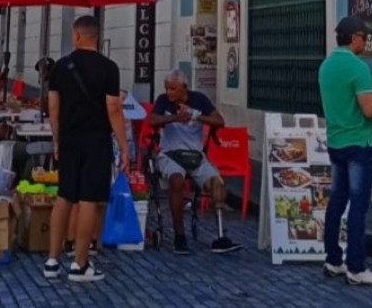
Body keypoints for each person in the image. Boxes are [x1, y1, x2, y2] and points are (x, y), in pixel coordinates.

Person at [45, 15, 130, 284]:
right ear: (96, 37)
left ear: (77, 35)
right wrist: (124, 146)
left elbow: (53, 108)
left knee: (64, 196)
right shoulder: (109, 68)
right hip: (96, 140)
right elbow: (114, 109)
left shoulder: (60, 67)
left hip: (69, 139)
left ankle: (52, 259)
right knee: (88, 200)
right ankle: (80, 264)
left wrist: (56, 139)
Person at [318, 14, 372, 285]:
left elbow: (347, 101)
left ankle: (332, 259)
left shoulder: (326, 66)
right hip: (358, 144)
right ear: (354, 38)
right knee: (357, 206)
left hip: (335, 141)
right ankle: (356, 266)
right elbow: (369, 110)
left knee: (336, 202)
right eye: (364, 37)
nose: (365, 42)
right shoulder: (358, 67)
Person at [148, 69, 239, 255]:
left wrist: (195, 116)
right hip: (170, 154)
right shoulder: (163, 101)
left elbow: (219, 121)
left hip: (195, 155)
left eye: (173, 88)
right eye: (167, 88)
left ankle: (221, 235)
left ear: (184, 88)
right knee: (176, 181)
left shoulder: (199, 99)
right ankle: (179, 236)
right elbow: (152, 120)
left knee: (218, 185)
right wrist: (174, 117)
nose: (169, 92)